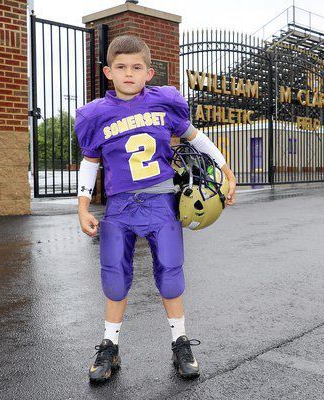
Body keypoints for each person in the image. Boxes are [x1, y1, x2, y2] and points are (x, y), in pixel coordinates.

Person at [74, 35, 236, 383]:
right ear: (108, 72)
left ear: (149, 73)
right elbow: (90, 162)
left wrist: (223, 167)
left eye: (136, 67)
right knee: (114, 277)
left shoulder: (163, 104)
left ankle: (180, 342)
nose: (128, 74)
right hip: (119, 206)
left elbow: (195, 137)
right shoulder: (97, 114)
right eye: (121, 67)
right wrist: (83, 205)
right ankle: (109, 345)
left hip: (162, 202)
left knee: (171, 272)